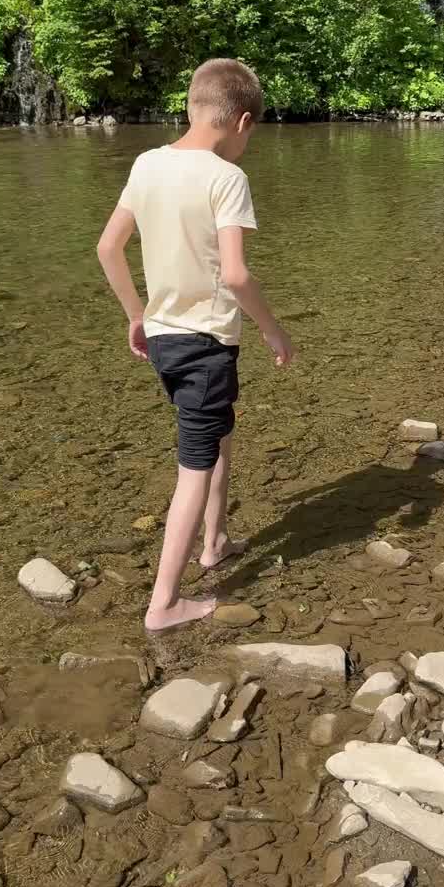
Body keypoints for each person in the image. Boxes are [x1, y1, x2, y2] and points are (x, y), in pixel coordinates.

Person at [97, 58, 293, 631]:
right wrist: (271, 327)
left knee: (218, 431)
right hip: (205, 344)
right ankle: (164, 604)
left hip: (164, 340)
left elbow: (109, 248)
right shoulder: (227, 178)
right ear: (242, 123)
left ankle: (215, 542)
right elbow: (235, 275)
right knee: (194, 467)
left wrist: (138, 316)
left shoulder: (147, 162)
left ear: (192, 107)